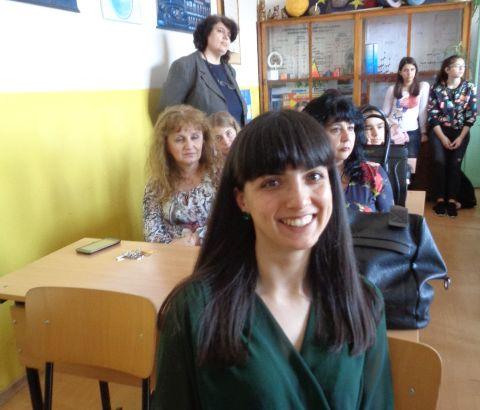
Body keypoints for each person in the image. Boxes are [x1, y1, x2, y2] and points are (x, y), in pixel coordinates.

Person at [152, 110, 393, 409]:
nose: (300, 200)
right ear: (242, 199)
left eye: (314, 176)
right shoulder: (195, 309)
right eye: (272, 183)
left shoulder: (364, 301)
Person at [304, 91, 394, 212]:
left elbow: (391, 221)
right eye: (336, 129)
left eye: (351, 128)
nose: (347, 138)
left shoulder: (373, 173)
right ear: (314, 134)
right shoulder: (302, 178)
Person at [143, 105, 217, 245]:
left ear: (204, 140)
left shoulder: (219, 176)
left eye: (195, 137)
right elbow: (151, 232)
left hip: (215, 251)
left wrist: (196, 239)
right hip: (171, 253)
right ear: (166, 145)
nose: (189, 145)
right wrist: (173, 247)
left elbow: (230, 221)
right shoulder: (156, 183)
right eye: (179, 139)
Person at [158, 15, 247, 126]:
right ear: (206, 33)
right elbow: (166, 115)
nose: (226, 37)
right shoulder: (185, 66)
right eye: (220, 31)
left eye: (229, 35)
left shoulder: (230, 70)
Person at [428, 55, 477, 217]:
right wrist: (442, 138)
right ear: (447, 69)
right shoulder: (436, 88)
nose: (461, 68)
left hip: (460, 132)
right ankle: (440, 199)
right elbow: (433, 115)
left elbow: (471, 115)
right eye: (457, 66)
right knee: (439, 163)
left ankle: (452, 200)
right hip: (439, 132)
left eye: (463, 66)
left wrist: (460, 137)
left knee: (455, 165)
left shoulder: (469, 88)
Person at [382, 57, 430, 161]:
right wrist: (391, 127)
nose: (409, 73)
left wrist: (423, 132)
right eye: (406, 70)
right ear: (400, 72)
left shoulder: (422, 87)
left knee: (411, 164)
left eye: (412, 69)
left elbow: (422, 112)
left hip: (412, 132)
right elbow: (384, 114)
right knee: (394, 162)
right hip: (394, 131)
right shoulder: (392, 89)